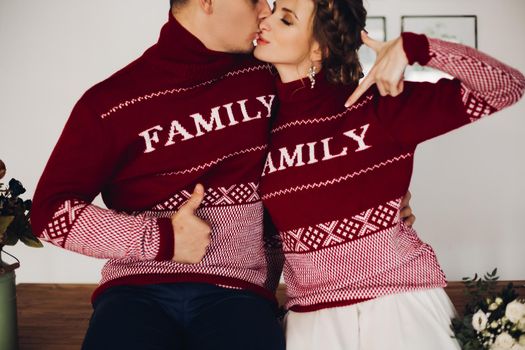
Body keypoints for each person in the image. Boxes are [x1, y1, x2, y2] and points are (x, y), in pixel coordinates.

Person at [30, 0, 415, 348]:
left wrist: (376, 197)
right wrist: (161, 238)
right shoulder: (110, 102)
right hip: (134, 291)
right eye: (253, 0)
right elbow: (50, 214)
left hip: (237, 292)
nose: (265, 9)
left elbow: (339, 134)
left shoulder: (271, 77)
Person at [253, 0, 525, 349]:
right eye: (274, 11)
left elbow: (506, 87)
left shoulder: (378, 105)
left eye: (286, 19)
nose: (267, 22)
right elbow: (271, 234)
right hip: (312, 318)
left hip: (398, 305)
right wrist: (260, 303)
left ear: (319, 47)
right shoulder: (259, 122)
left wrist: (416, 47)